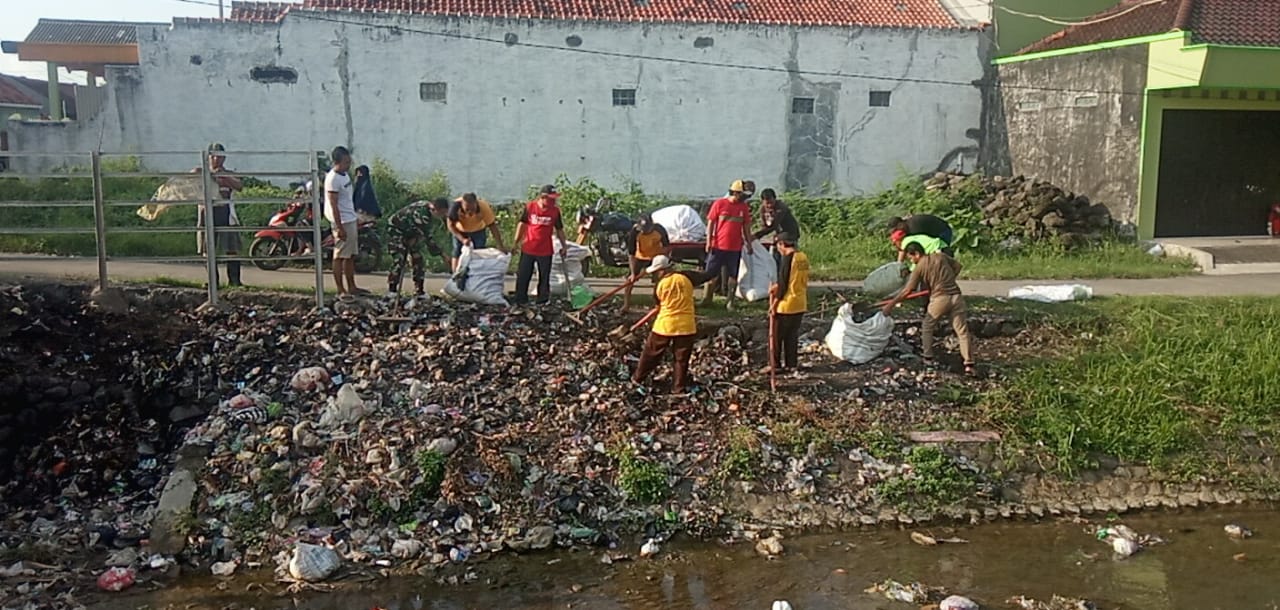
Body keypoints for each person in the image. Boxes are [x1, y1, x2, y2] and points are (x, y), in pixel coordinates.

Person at [881, 242, 974, 375]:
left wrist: (890, 305)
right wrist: (948, 280)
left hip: (939, 299)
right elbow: (957, 267)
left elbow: (907, 290)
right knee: (962, 331)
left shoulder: (920, 267)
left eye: (911, 257)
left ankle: (928, 358)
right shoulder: (941, 256)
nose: (911, 261)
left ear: (917, 254)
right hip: (956, 296)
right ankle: (969, 364)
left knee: (927, 327)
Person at [632, 255, 697, 394]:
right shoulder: (686, 279)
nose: (655, 275)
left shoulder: (661, 285)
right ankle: (678, 388)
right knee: (681, 360)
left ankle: (637, 379)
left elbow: (658, 303)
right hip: (687, 326)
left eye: (656, 272)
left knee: (650, 354)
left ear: (663, 270)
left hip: (666, 325)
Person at [195, 143, 243, 287]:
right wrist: (205, 174)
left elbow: (239, 186)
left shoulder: (228, 174)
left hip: (226, 212)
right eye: (214, 156)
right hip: (207, 213)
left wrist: (224, 177)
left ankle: (234, 280)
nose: (217, 159)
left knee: (231, 247)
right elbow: (189, 180)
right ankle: (212, 282)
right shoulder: (202, 173)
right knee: (207, 248)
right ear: (209, 157)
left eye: (220, 156)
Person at [324, 146, 369, 298]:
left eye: (349, 161)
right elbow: (333, 205)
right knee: (339, 256)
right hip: (341, 221)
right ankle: (340, 289)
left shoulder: (345, 175)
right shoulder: (333, 179)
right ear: (337, 162)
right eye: (345, 162)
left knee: (350, 256)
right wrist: (339, 227)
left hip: (350, 219)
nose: (348, 164)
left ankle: (352, 286)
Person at [513, 185, 569, 305]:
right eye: (551, 199)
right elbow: (522, 224)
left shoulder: (555, 211)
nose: (553, 201)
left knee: (544, 278)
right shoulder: (530, 207)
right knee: (523, 275)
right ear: (543, 197)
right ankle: (520, 300)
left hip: (545, 250)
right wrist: (515, 243)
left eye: (555, 199)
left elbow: (559, 229)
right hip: (529, 248)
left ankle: (542, 301)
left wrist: (564, 246)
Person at [703, 179, 754, 307]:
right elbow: (711, 223)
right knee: (710, 273)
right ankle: (707, 299)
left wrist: (749, 243)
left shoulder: (744, 208)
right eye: (742, 194)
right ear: (735, 193)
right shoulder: (720, 204)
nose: (744, 197)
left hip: (735, 248)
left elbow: (746, 227)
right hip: (718, 246)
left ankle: (730, 301)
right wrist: (709, 241)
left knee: (733, 275)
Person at [386, 197, 450, 296]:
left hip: (412, 233)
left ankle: (419, 290)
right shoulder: (423, 216)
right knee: (399, 259)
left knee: (418, 259)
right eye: (442, 213)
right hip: (396, 231)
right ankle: (392, 290)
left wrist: (414, 238)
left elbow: (418, 233)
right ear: (436, 209)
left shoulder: (427, 207)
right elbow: (428, 239)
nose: (443, 216)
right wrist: (442, 254)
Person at [769, 233, 809, 374]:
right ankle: (791, 364)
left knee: (776, 337)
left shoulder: (787, 259)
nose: (778, 249)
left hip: (786, 305)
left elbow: (784, 284)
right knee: (792, 336)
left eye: (778, 246)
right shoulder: (802, 257)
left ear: (782, 244)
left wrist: (773, 305)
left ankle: (776, 365)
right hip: (800, 302)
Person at [446, 192, 508, 271]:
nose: (470, 212)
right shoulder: (454, 207)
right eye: (467, 209)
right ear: (462, 204)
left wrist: (500, 246)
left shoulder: (483, 207)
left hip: (478, 231)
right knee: (456, 251)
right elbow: (450, 226)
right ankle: (455, 275)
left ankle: (475, 273)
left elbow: (493, 227)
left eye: (472, 209)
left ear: (476, 203)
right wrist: (462, 239)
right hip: (460, 231)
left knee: (479, 253)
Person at [623, 212, 671, 312]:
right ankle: (626, 305)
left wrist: (662, 262)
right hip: (640, 257)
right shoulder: (635, 232)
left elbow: (667, 247)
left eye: (647, 229)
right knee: (629, 281)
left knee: (660, 280)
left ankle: (658, 304)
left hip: (656, 257)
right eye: (643, 229)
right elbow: (631, 254)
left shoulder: (659, 230)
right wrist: (632, 273)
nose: (645, 231)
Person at [889, 214, 954, 262]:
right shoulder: (907, 228)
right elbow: (903, 247)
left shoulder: (914, 227)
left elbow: (920, 247)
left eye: (896, 229)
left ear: (901, 224)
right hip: (932, 235)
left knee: (943, 256)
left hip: (942, 231)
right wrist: (898, 265)